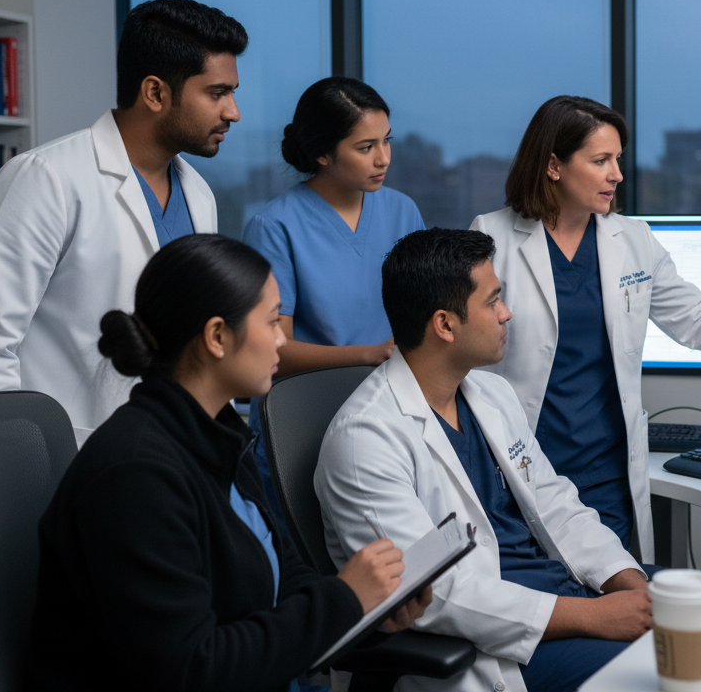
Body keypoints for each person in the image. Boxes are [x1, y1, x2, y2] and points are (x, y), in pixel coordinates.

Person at [28, 234, 430, 692]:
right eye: (272, 321)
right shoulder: (134, 475)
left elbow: (284, 579)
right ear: (218, 336)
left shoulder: (216, 435)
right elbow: (189, 670)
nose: (282, 340)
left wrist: (367, 611)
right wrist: (342, 600)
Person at [469, 96, 701, 562]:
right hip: (524, 466)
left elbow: (698, 321)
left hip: (606, 473)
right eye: (600, 161)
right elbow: (466, 356)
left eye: (618, 161)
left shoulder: (633, 240)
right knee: (544, 606)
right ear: (553, 165)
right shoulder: (493, 237)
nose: (617, 175)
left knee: (622, 602)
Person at [315, 228, 653, 692]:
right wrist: (594, 616)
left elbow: (556, 503)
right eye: (493, 301)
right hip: (492, 645)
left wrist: (626, 583)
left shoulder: (489, 393)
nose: (506, 313)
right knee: (662, 670)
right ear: (445, 324)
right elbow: (435, 594)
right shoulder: (365, 440)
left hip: (561, 594)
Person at [0, 0, 245, 446]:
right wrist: (23, 469)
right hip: (68, 458)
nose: (233, 111)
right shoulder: (46, 179)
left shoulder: (197, 193)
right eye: (217, 93)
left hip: (172, 458)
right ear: (156, 93)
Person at [242, 77, 423, 503]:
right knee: (304, 563)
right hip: (299, 425)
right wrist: (368, 355)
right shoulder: (275, 227)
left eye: (387, 141)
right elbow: (273, 349)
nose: (383, 159)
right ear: (322, 154)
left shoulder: (403, 211)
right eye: (365, 148)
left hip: (387, 418)